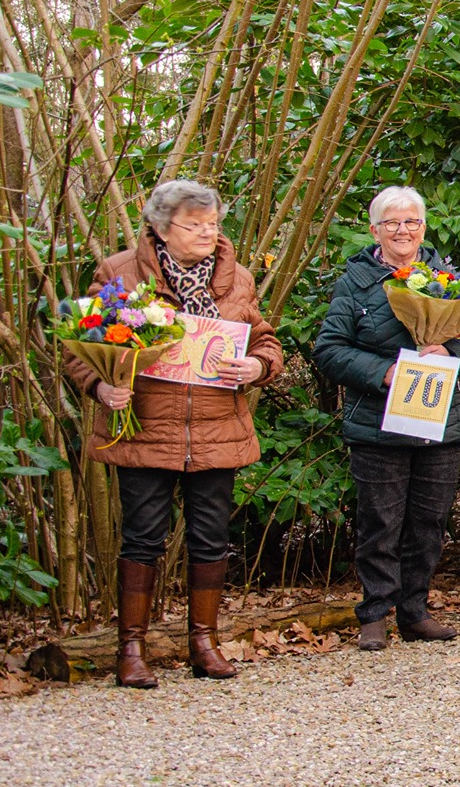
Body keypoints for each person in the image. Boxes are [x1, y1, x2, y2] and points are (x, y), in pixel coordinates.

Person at [63, 180, 283, 688]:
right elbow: (81, 343)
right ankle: (131, 650)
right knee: (142, 538)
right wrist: (100, 386)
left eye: (213, 224)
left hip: (216, 430)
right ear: (162, 228)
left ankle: (204, 644)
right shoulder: (120, 273)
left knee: (212, 539)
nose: (208, 233)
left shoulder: (238, 279)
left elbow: (265, 338)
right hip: (145, 430)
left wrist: (257, 366)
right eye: (195, 224)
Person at [313, 186, 460, 651]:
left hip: (441, 420)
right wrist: (384, 371)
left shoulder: (446, 276)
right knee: (380, 520)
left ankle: (414, 610)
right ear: (374, 230)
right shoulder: (356, 281)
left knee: (429, 521)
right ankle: (374, 613)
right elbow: (329, 348)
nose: (402, 230)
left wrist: (450, 350)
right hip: (378, 421)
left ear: (424, 227)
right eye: (391, 222)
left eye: (411, 221)